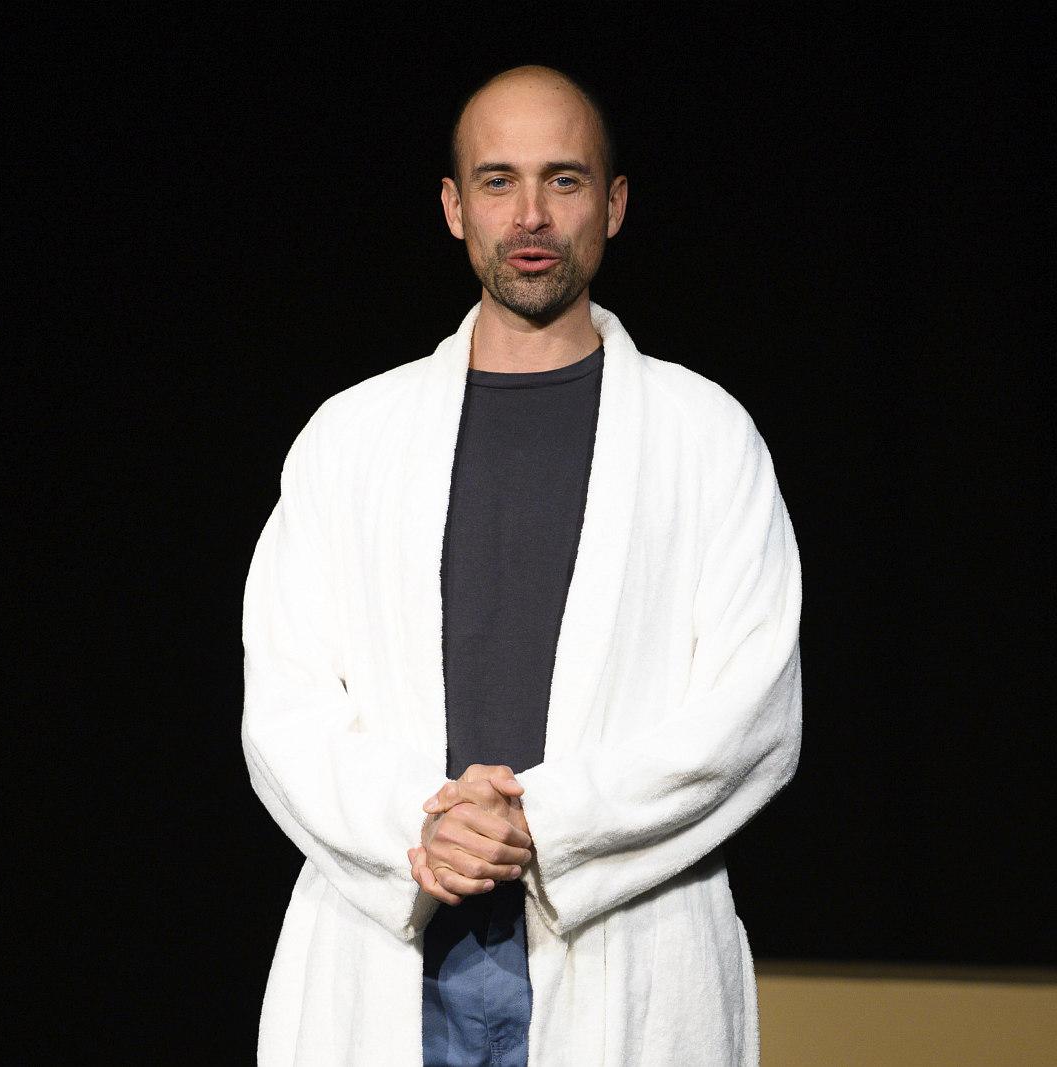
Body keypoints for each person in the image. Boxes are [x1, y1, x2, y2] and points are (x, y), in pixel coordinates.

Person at [242, 64, 802, 1066]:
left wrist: (544, 822)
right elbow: (285, 706)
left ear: (613, 205)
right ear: (454, 207)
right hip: (394, 944)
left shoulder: (705, 436)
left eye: (564, 179)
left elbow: (751, 713)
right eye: (497, 180)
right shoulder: (351, 437)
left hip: (622, 943)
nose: (531, 214)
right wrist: (422, 828)